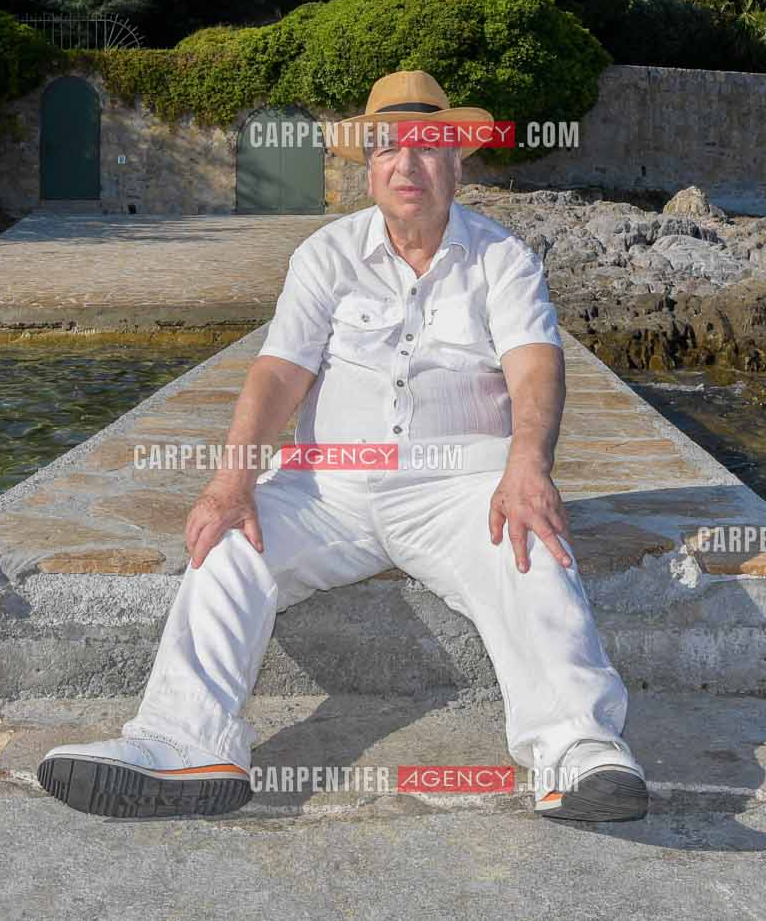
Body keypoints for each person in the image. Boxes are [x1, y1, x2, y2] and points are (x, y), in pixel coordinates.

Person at [37, 70, 645, 822]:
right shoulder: (325, 254)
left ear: (457, 161)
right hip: (329, 488)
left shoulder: (503, 258)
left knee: (532, 551)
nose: (406, 164)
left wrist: (527, 466)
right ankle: (184, 742)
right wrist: (233, 479)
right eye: (388, 148)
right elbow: (278, 373)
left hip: (459, 488)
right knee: (226, 543)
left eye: (427, 147)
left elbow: (534, 366)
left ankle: (578, 749)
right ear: (370, 167)